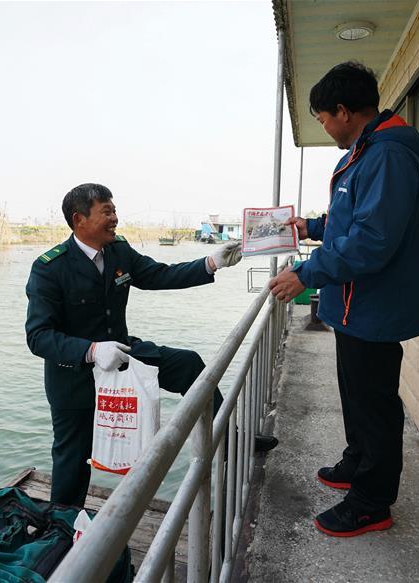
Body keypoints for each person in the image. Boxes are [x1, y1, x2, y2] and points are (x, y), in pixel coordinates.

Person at [26, 183, 277, 507]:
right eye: (107, 212)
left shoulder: (118, 251)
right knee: (73, 459)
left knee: (187, 364)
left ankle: (230, 440)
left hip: (123, 356)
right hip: (75, 378)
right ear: (79, 219)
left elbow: (159, 275)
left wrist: (211, 263)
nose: (115, 218)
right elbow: (38, 336)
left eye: (114, 210)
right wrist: (91, 350)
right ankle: (60, 527)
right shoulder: (50, 268)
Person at [269, 62, 419, 537]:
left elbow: (372, 240)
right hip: (352, 306)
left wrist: (305, 273)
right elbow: (352, 220)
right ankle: (357, 460)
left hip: (373, 308)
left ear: (343, 111)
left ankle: (371, 502)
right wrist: (312, 227)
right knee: (356, 396)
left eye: (323, 118)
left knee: (375, 406)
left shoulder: (387, 156)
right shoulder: (366, 152)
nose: (325, 127)